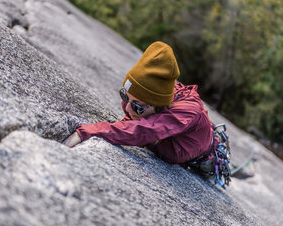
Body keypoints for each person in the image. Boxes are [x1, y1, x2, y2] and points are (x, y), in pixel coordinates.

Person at [63, 41, 217, 166]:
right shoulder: (154, 96)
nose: (128, 108)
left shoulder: (186, 113)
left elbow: (142, 131)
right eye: (125, 97)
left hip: (204, 155)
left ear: (159, 106)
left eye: (137, 106)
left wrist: (85, 132)